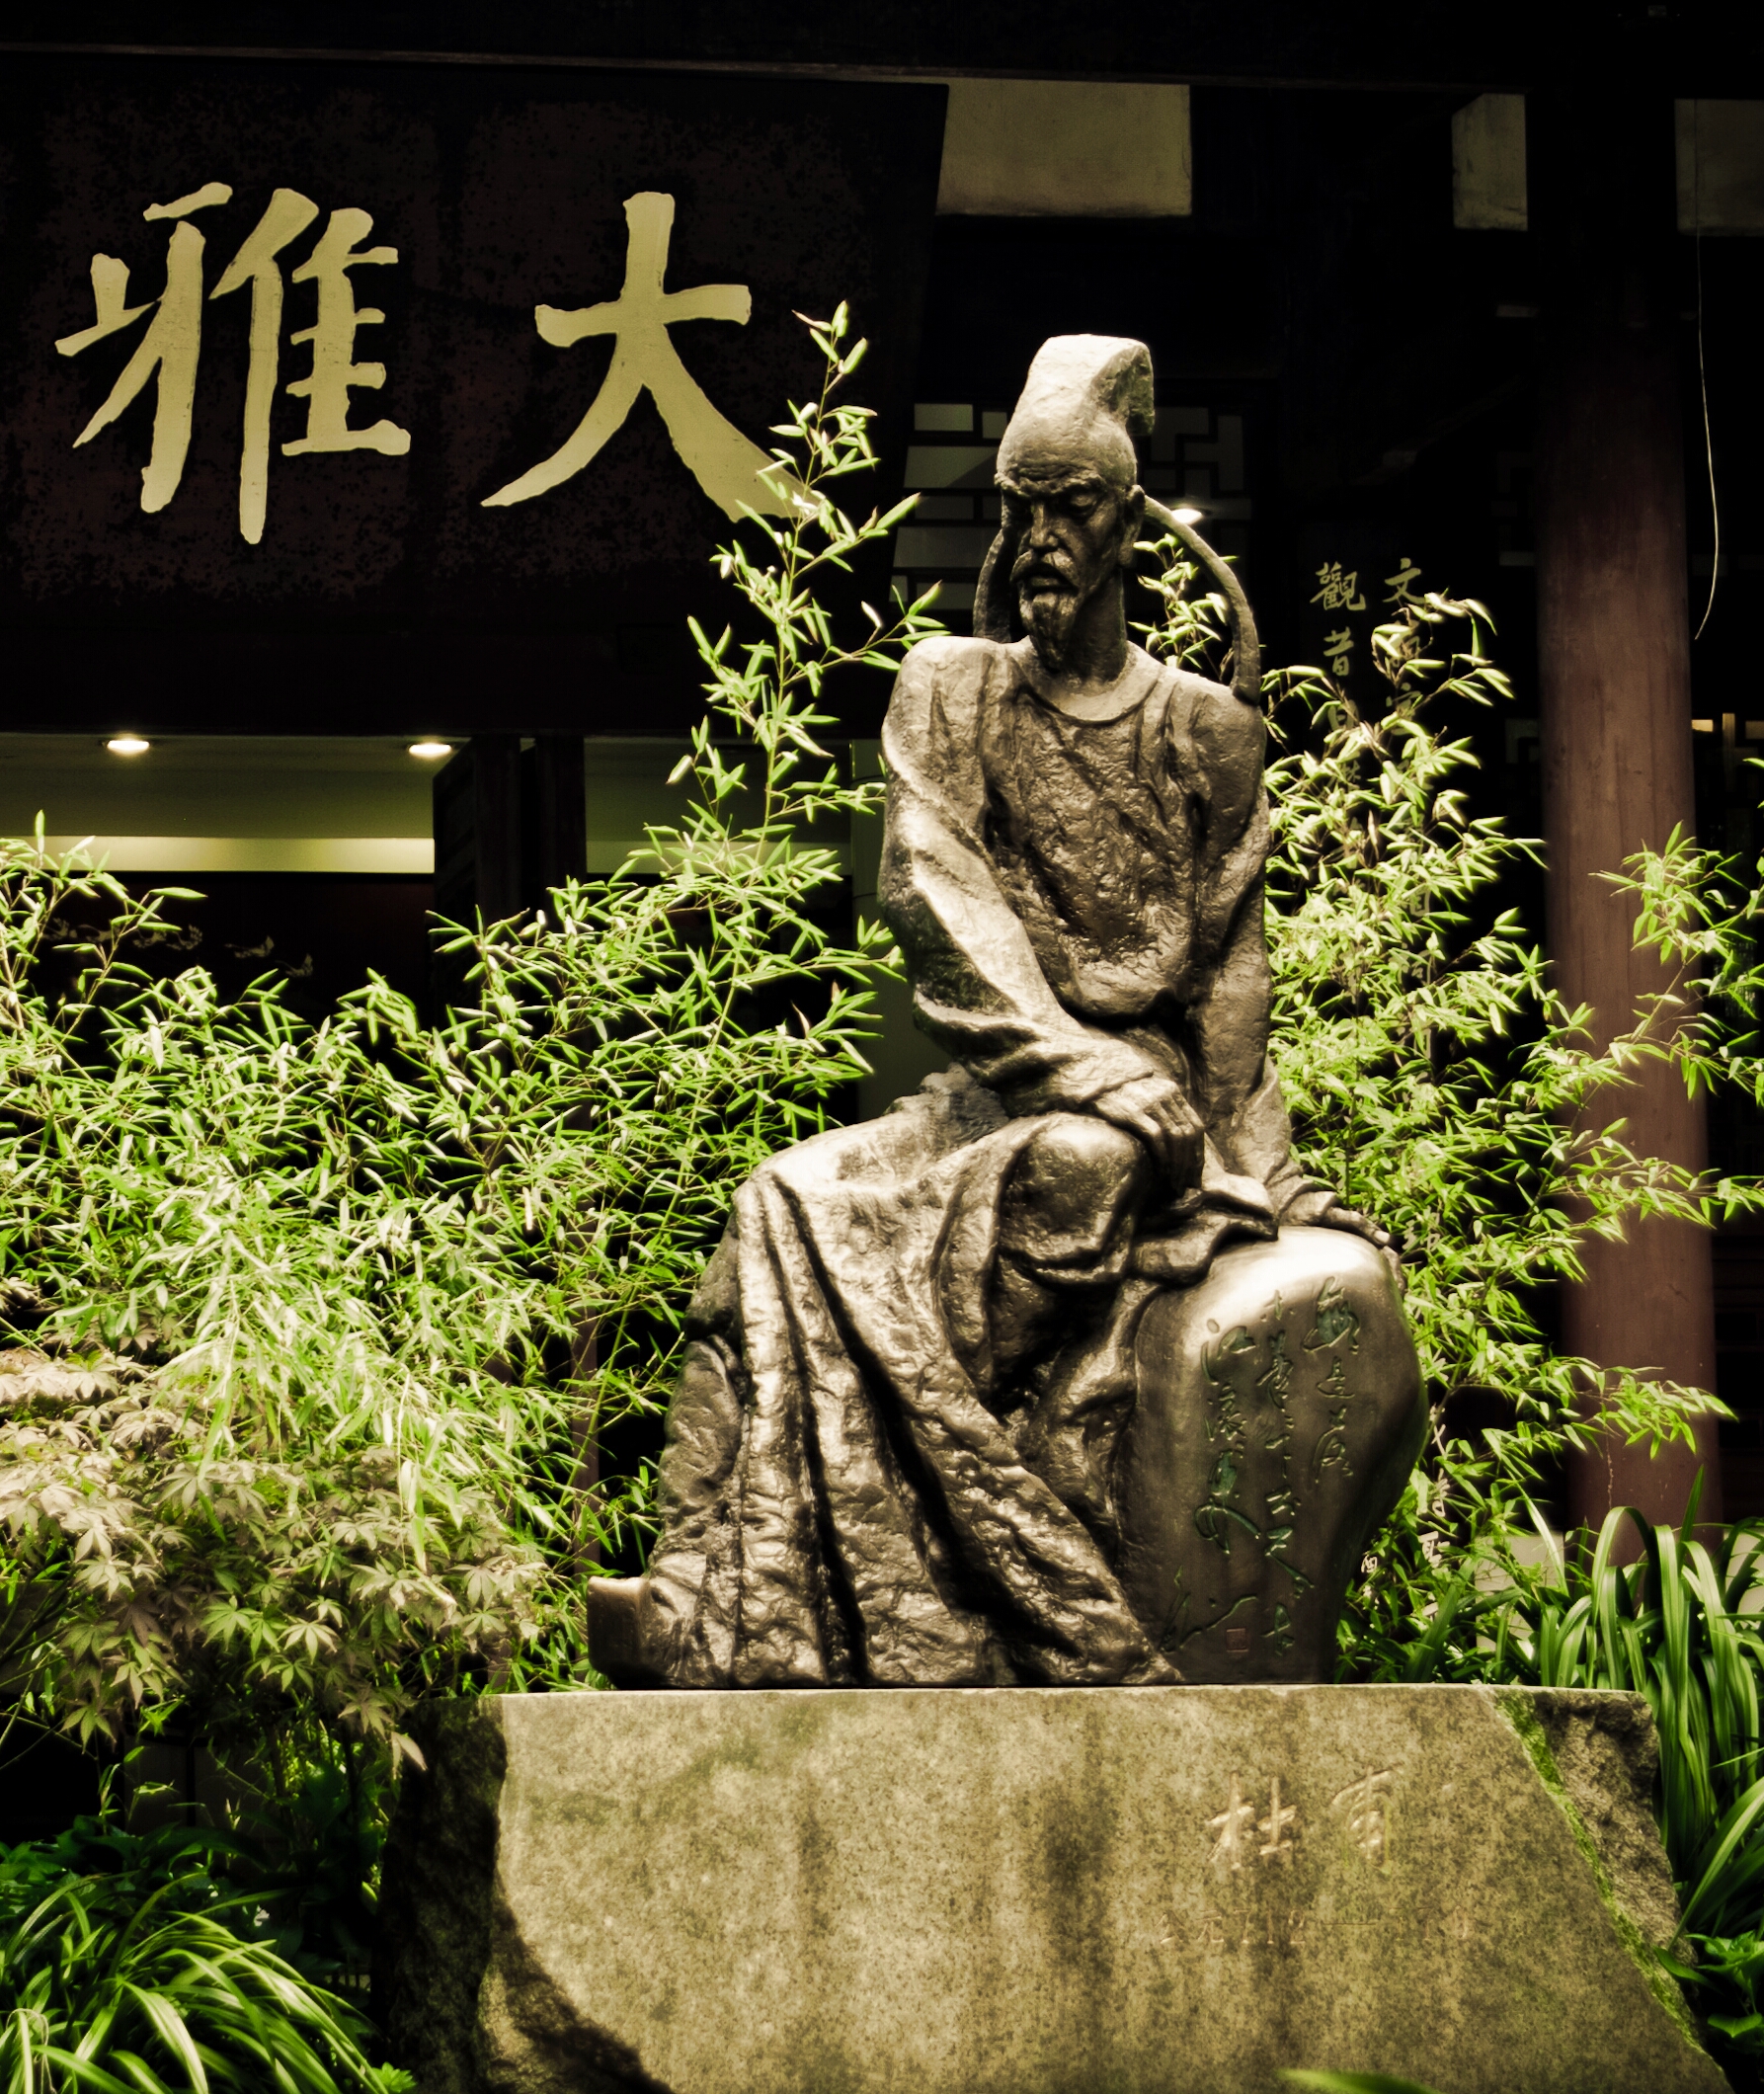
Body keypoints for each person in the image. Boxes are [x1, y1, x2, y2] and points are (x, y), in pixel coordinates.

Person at [597, 336, 1394, 1688]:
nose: (1039, 541)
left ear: (1130, 525)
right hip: (1008, 1085)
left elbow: (1231, 968)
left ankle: (931, 1514)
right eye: (1019, 510)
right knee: (778, 1197)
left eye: (1070, 508)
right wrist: (1066, 1058)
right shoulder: (950, 685)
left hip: (1142, 1111)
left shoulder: (1206, 728)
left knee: (1084, 1167)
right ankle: (700, 1580)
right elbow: (932, 880)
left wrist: (1262, 1167)